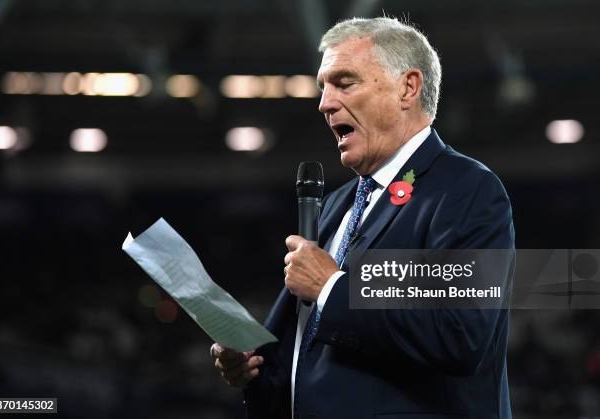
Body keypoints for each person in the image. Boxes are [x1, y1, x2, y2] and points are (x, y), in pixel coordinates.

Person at [211, 16, 514, 419]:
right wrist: (254, 368)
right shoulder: (339, 204)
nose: (325, 103)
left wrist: (332, 288)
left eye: (344, 82)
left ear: (408, 87)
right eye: (323, 87)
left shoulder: (466, 190)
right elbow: (318, 357)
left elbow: (460, 335)